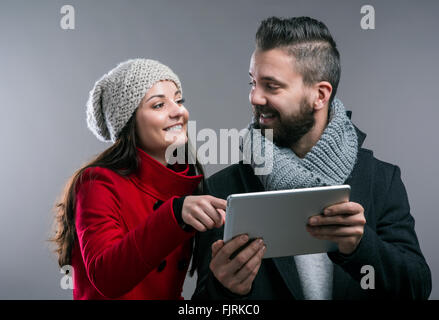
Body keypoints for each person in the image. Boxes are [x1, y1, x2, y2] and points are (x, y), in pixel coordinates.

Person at [192, 17, 432, 300]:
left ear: (319, 95)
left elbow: (416, 289)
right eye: (253, 82)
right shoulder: (222, 189)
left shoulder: (381, 180)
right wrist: (224, 289)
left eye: (271, 86)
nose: (255, 97)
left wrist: (359, 245)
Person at [50, 59, 226, 299]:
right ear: (129, 122)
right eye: (158, 105)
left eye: (178, 100)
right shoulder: (97, 183)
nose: (178, 111)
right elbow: (107, 277)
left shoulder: (186, 186)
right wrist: (173, 214)